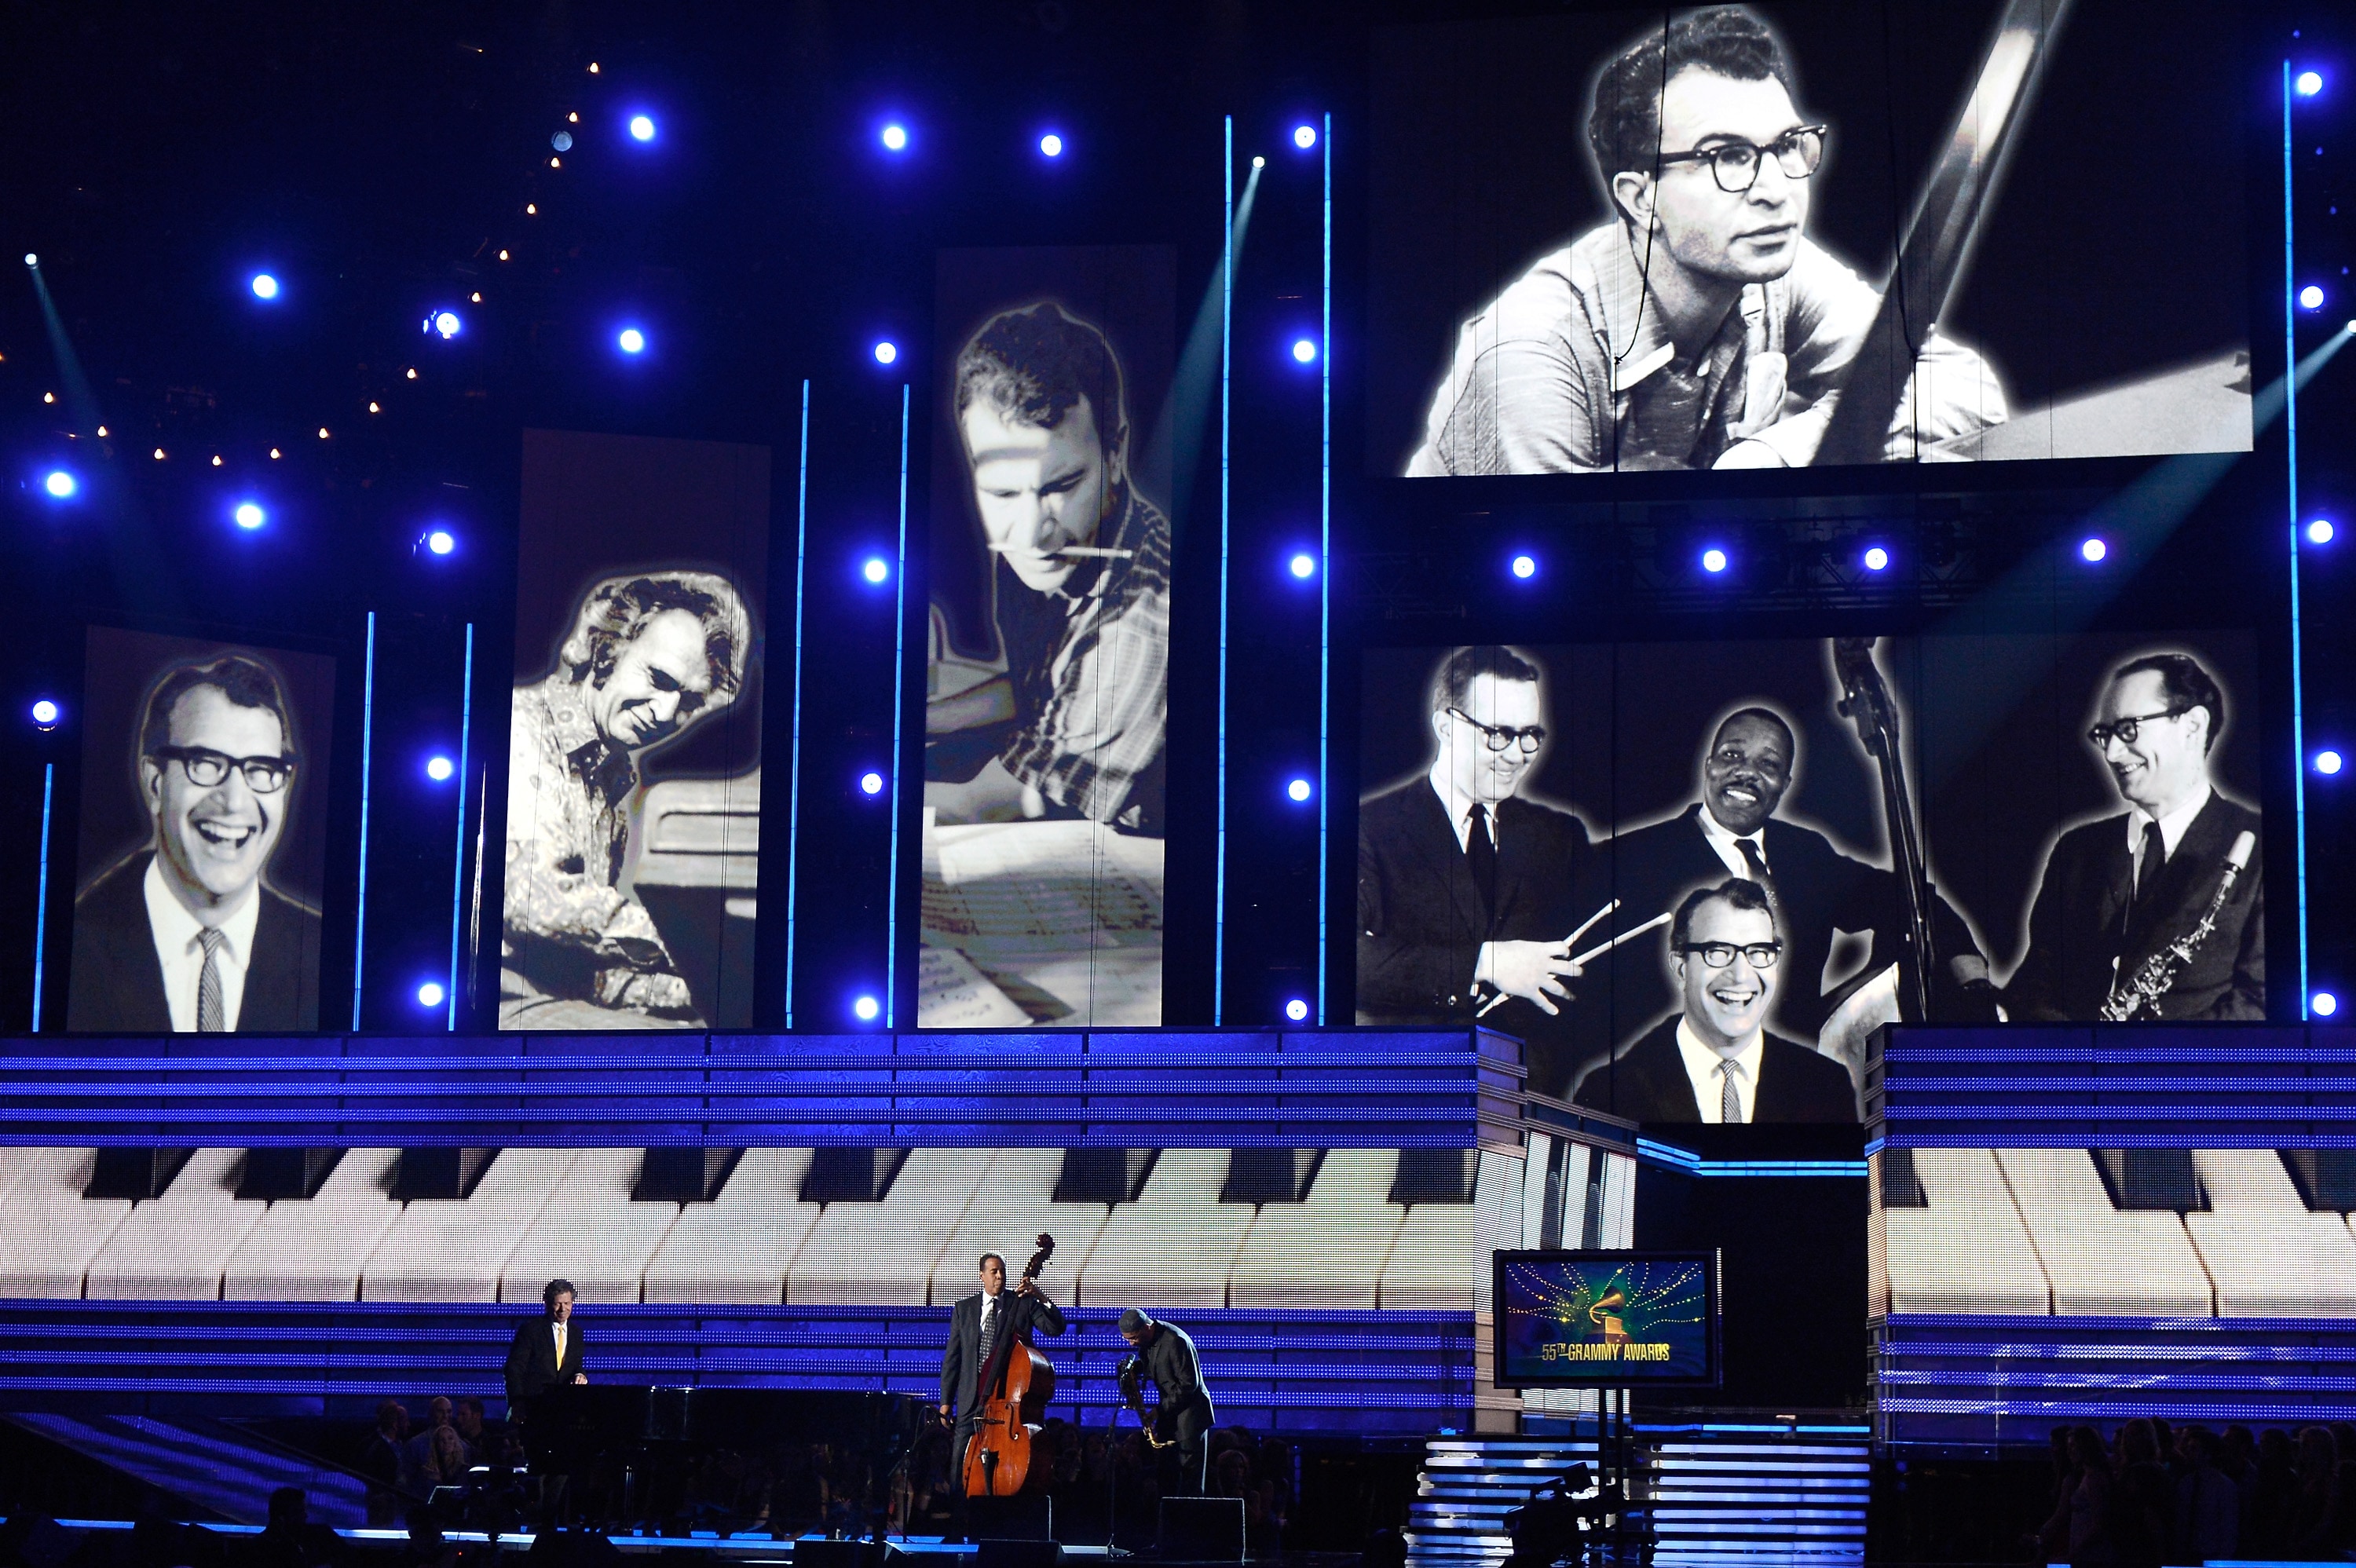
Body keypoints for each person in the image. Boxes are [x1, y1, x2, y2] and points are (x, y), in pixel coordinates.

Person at [1407, 6, 2003, 477]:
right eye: (1728, 156)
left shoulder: (1772, 265)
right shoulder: (1532, 349)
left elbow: (1959, 386)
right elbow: (1553, 614)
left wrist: (1769, 458)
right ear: (1640, 199)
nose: (1777, 190)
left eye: (1787, 145)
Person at [1564, 706, 1987, 1095]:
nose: (1746, 773)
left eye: (1768, 764)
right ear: (1708, 766)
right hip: (1672, 1093)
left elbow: (1911, 899)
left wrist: (1971, 979)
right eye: (1731, 756)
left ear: (1784, 785)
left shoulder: (1807, 854)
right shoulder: (1628, 859)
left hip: (1791, 1093)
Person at [925, 302, 1171, 832]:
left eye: (1062, 487)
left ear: (1116, 453)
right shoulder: (1045, 541)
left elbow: (982, 804)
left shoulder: (1144, 623)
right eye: (1002, 491)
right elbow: (1042, 687)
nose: (1033, 532)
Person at [502, 572, 752, 1029]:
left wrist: (699, 992)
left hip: (555, 1001)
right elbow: (538, 901)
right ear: (606, 648)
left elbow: (584, 967)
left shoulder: (610, 778)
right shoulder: (518, 728)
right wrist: (688, 944)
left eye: (688, 701)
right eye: (658, 679)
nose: (665, 713)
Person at [1356, 646, 1596, 1090]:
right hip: (1405, 1096)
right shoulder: (1369, 828)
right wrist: (1484, 963)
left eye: (1530, 735)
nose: (1517, 754)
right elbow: (1346, 961)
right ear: (1445, 726)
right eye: (1498, 733)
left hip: (1526, 1102)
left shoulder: (1560, 837)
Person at [68, 655, 323, 1031]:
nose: (235, 801)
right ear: (156, 783)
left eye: (262, 770)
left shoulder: (323, 954)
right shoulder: (71, 947)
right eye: (205, 763)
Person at [2006, 653, 2264, 1021]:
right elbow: (2038, 980)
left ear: (2192, 726)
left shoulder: (2265, 847)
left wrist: (2140, 1062)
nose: (2111, 752)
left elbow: (2259, 1003)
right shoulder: (2077, 850)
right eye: (2104, 734)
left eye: (2128, 729)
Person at [1572, 879, 1855, 1123]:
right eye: (1718, 951)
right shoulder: (1607, 1092)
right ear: (1681, 967)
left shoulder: (1826, 1084)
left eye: (1758, 952)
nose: (1741, 975)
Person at [938, 1251, 1068, 1496]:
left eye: (1002, 1272)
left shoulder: (1023, 1304)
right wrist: (946, 1402)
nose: (999, 1277)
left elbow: (1056, 1328)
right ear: (982, 1276)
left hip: (1007, 1402)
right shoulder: (964, 1310)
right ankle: (957, 1527)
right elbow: (953, 1358)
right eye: (994, 1272)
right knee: (959, 1468)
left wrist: (1039, 1296)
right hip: (970, 1401)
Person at [1118, 1307, 1215, 1496]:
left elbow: (1188, 1385)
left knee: (1190, 1482)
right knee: (1168, 1476)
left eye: (1134, 1338)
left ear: (1147, 1327)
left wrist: (1158, 1410)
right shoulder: (1149, 1340)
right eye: (1127, 1339)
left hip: (1190, 1420)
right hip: (1172, 1417)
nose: (1131, 1344)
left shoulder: (1175, 1341)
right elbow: (1155, 1367)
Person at [505, 1278, 587, 1409]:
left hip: (566, 1406)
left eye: (567, 1303)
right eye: (558, 1304)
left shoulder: (576, 1333)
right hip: (535, 1406)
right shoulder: (531, 1330)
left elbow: (575, 1365)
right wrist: (517, 1401)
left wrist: (580, 1375)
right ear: (547, 1304)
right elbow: (514, 1368)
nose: (563, 1309)